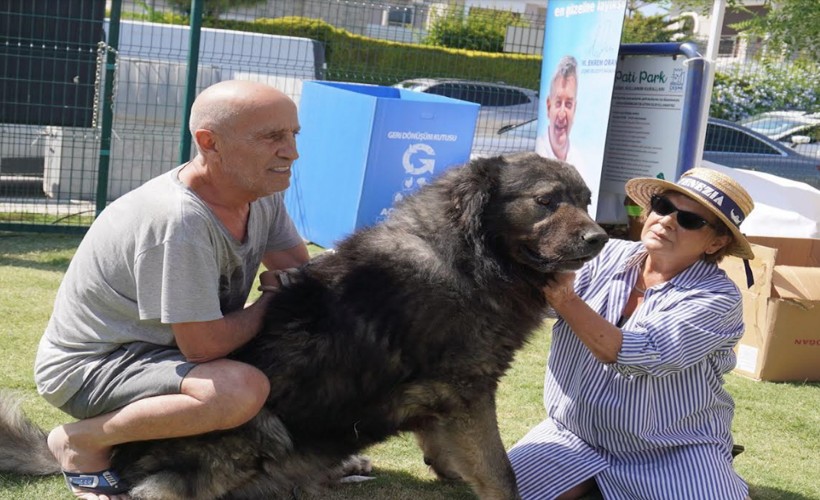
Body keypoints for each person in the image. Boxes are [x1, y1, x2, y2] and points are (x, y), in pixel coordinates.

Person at [34, 80, 310, 499]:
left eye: (293, 135)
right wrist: (271, 299)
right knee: (239, 390)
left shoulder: (259, 192)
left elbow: (297, 271)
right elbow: (204, 347)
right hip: (93, 368)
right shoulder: (180, 222)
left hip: (164, 355)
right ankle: (82, 441)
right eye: (272, 137)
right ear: (209, 142)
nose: (291, 152)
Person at [508, 167, 755, 500]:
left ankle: (709, 469)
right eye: (664, 207)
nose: (667, 221)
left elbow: (643, 353)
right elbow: (532, 299)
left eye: (690, 220)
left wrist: (565, 298)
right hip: (573, 434)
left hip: (671, 449)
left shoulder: (717, 298)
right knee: (500, 492)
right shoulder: (604, 253)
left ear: (717, 242)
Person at [536, 55, 581, 165]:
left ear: (574, 109)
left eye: (568, 104)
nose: (562, 114)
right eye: (558, 103)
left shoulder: (580, 163)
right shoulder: (537, 156)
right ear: (548, 106)